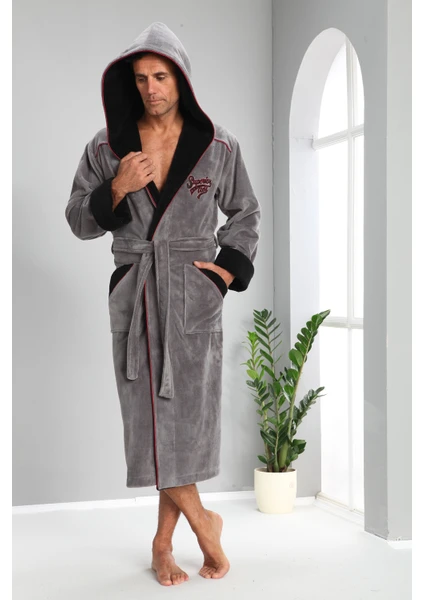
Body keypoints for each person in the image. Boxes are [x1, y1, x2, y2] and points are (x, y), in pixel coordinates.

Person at [65, 21, 261, 585]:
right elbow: (77, 219)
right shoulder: (106, 147)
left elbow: (246, 212)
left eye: (160, 76)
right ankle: (204, 523)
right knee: (149, 424)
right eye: (140, 78)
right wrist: (117, 187)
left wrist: (225, 273)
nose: (150, 88)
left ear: (181, 79)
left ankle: (161, 544)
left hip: (193, 296)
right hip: (136, 294)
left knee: (183, 425)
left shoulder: (218, 146)